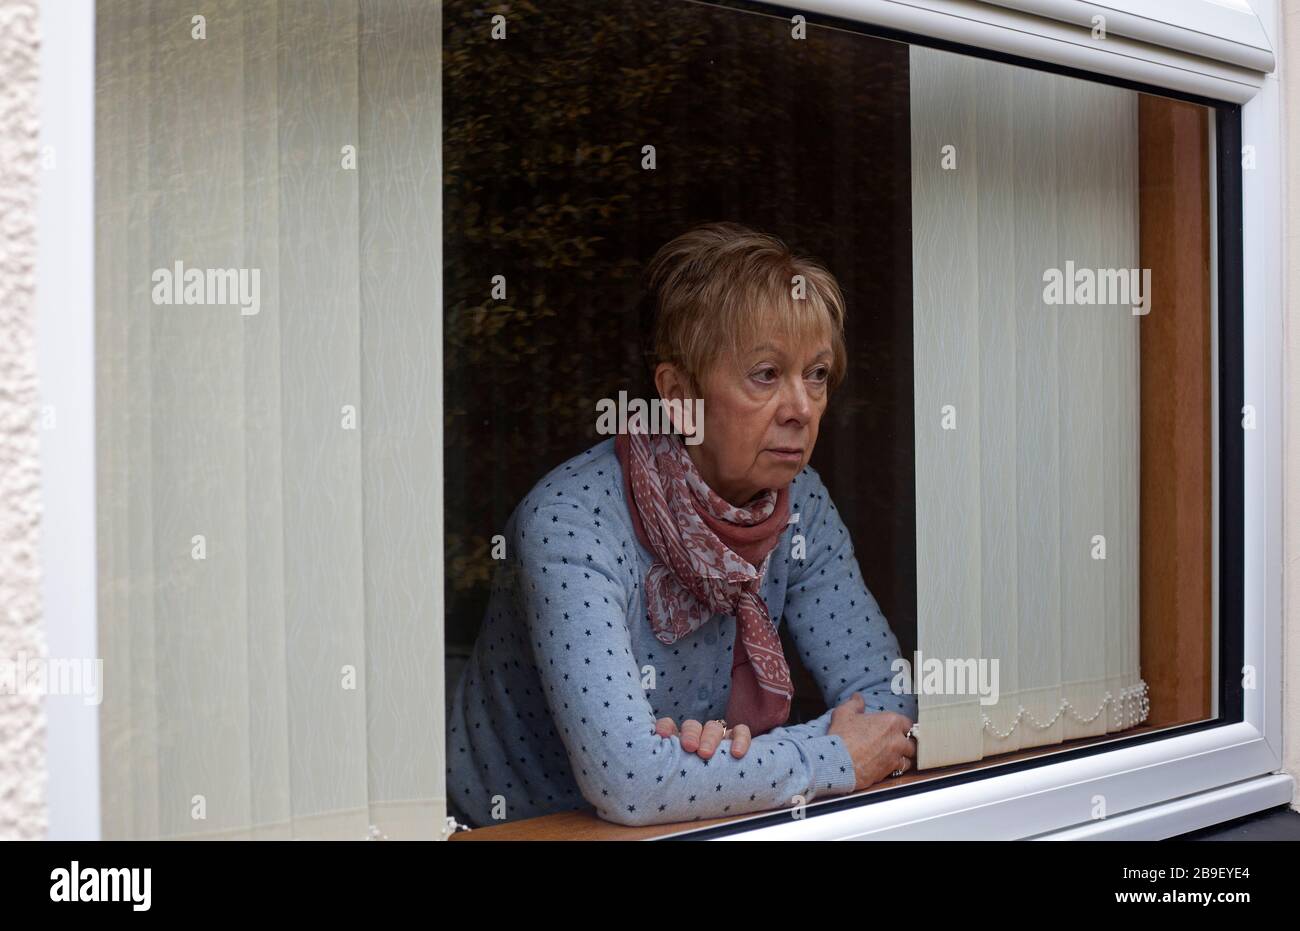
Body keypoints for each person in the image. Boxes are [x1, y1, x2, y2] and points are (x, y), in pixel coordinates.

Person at [446, 221, 916, 828]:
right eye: (766, 374)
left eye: (817, 374)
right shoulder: (570, 522)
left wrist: (714, 769)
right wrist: (826, 756)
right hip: (514, 831)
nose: (801, 409)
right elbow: (633, 783)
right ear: (678, 393)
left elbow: (887, 703)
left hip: (702, 825)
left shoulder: (800, 503)